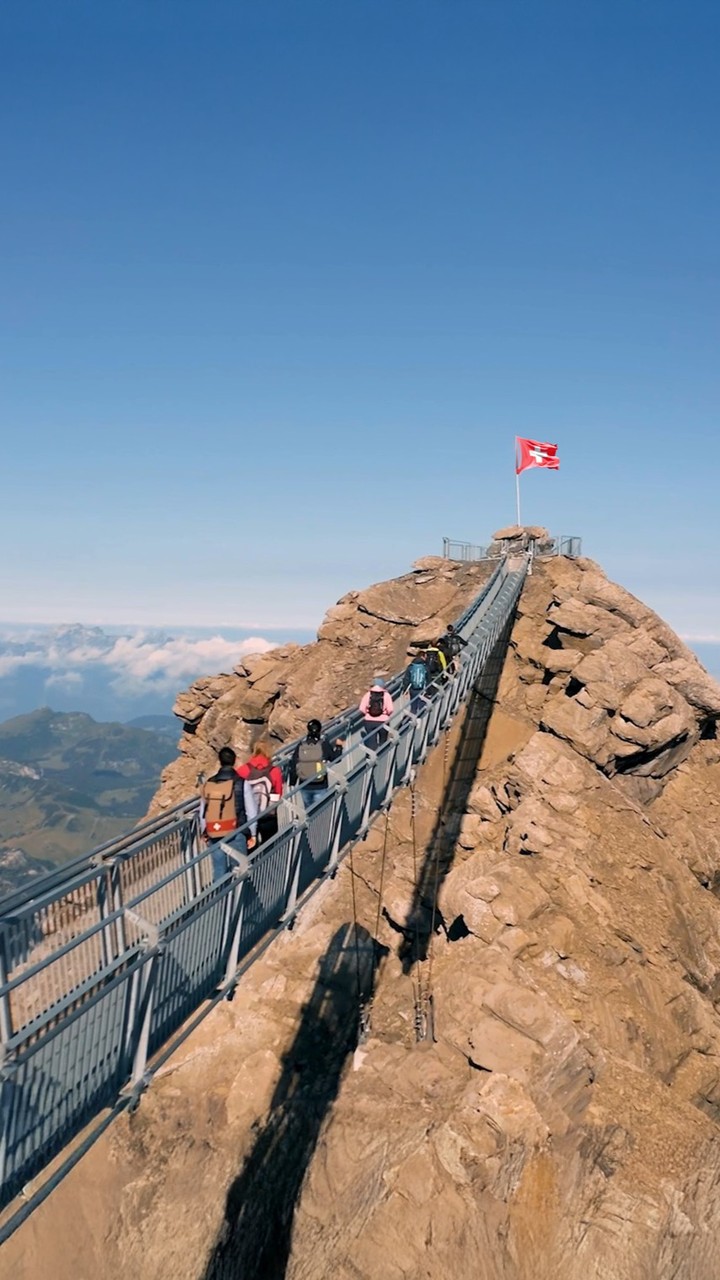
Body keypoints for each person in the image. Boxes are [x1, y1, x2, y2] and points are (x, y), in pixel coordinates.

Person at [200, 746, 256, 882]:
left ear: (219, 761)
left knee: (219, 870)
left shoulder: (209, 783)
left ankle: (220, 901)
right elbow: (251, 810)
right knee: (240, 869)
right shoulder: (242, 782)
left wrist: (204, 831)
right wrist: (252, 834)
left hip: (215, 831)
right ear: (235, 761)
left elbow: (203, 810)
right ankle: (240, 901)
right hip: (237, 830)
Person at [236, 740, 283, 845]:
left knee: (251, 847)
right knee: (270, 845)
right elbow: (278, 793)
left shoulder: (243, 770)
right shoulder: (274, 771)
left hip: (249, 817)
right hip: (268, 815)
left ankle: (252, 861)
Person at [289, 719, 345, 806]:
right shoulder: (323, 744)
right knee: (320, 813)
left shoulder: (301, 745)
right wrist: (339, 747)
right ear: (320, 730)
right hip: (320, 785)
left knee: (309, 813)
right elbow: (336, 758)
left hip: (304, 784)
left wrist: (292, 782)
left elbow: (293, 764)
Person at [359, 678, 394, 750]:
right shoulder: (386, 695)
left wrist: (367, 714)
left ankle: (372, 757)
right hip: (383, 721)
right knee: (383, 741)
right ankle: (382, 756)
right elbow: (390, 709)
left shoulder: (368, 694)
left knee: (372, 743)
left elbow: (361, 708)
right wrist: (386, 715)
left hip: (369, 721)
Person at [403, 650, 429, 715]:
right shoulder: (425, 666)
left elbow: (406, 679)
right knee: (422, 706)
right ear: (422, 657)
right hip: (423, 689)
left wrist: (405, 690)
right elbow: (428, 679)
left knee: (413, 705)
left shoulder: (411, 666)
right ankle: (421, 720)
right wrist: (429, 691)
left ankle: (413, 719)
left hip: (413, 689)